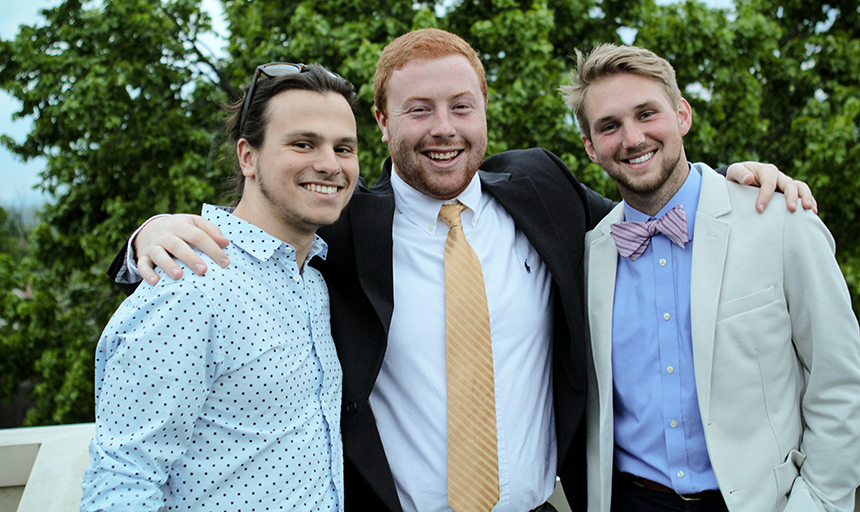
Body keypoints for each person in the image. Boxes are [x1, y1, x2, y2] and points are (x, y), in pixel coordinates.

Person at [110, 30, 816, 512]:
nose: (443, 127)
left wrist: (737, 178)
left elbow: (652, 204)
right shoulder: (347, 223)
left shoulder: (542, 189)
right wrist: (149, 233)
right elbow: (267, 221)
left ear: (485, 113)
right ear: (382, 125)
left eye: (460, 106)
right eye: (418, 110)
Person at [563, 43, 860, 511]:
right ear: (590, 147)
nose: (632, 137)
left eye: (647, 114)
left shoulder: (781, 220)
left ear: (682, 115)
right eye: (609, 126)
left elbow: (841, 382)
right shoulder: (588, 254)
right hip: (631, 500)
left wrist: (818, 502)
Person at [81, 63, 359, 511]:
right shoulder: (188, 286)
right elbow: (123, 482)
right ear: (247, 156)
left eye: (343, 148)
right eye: (303, 143)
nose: (329, 164)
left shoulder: (313, 280)